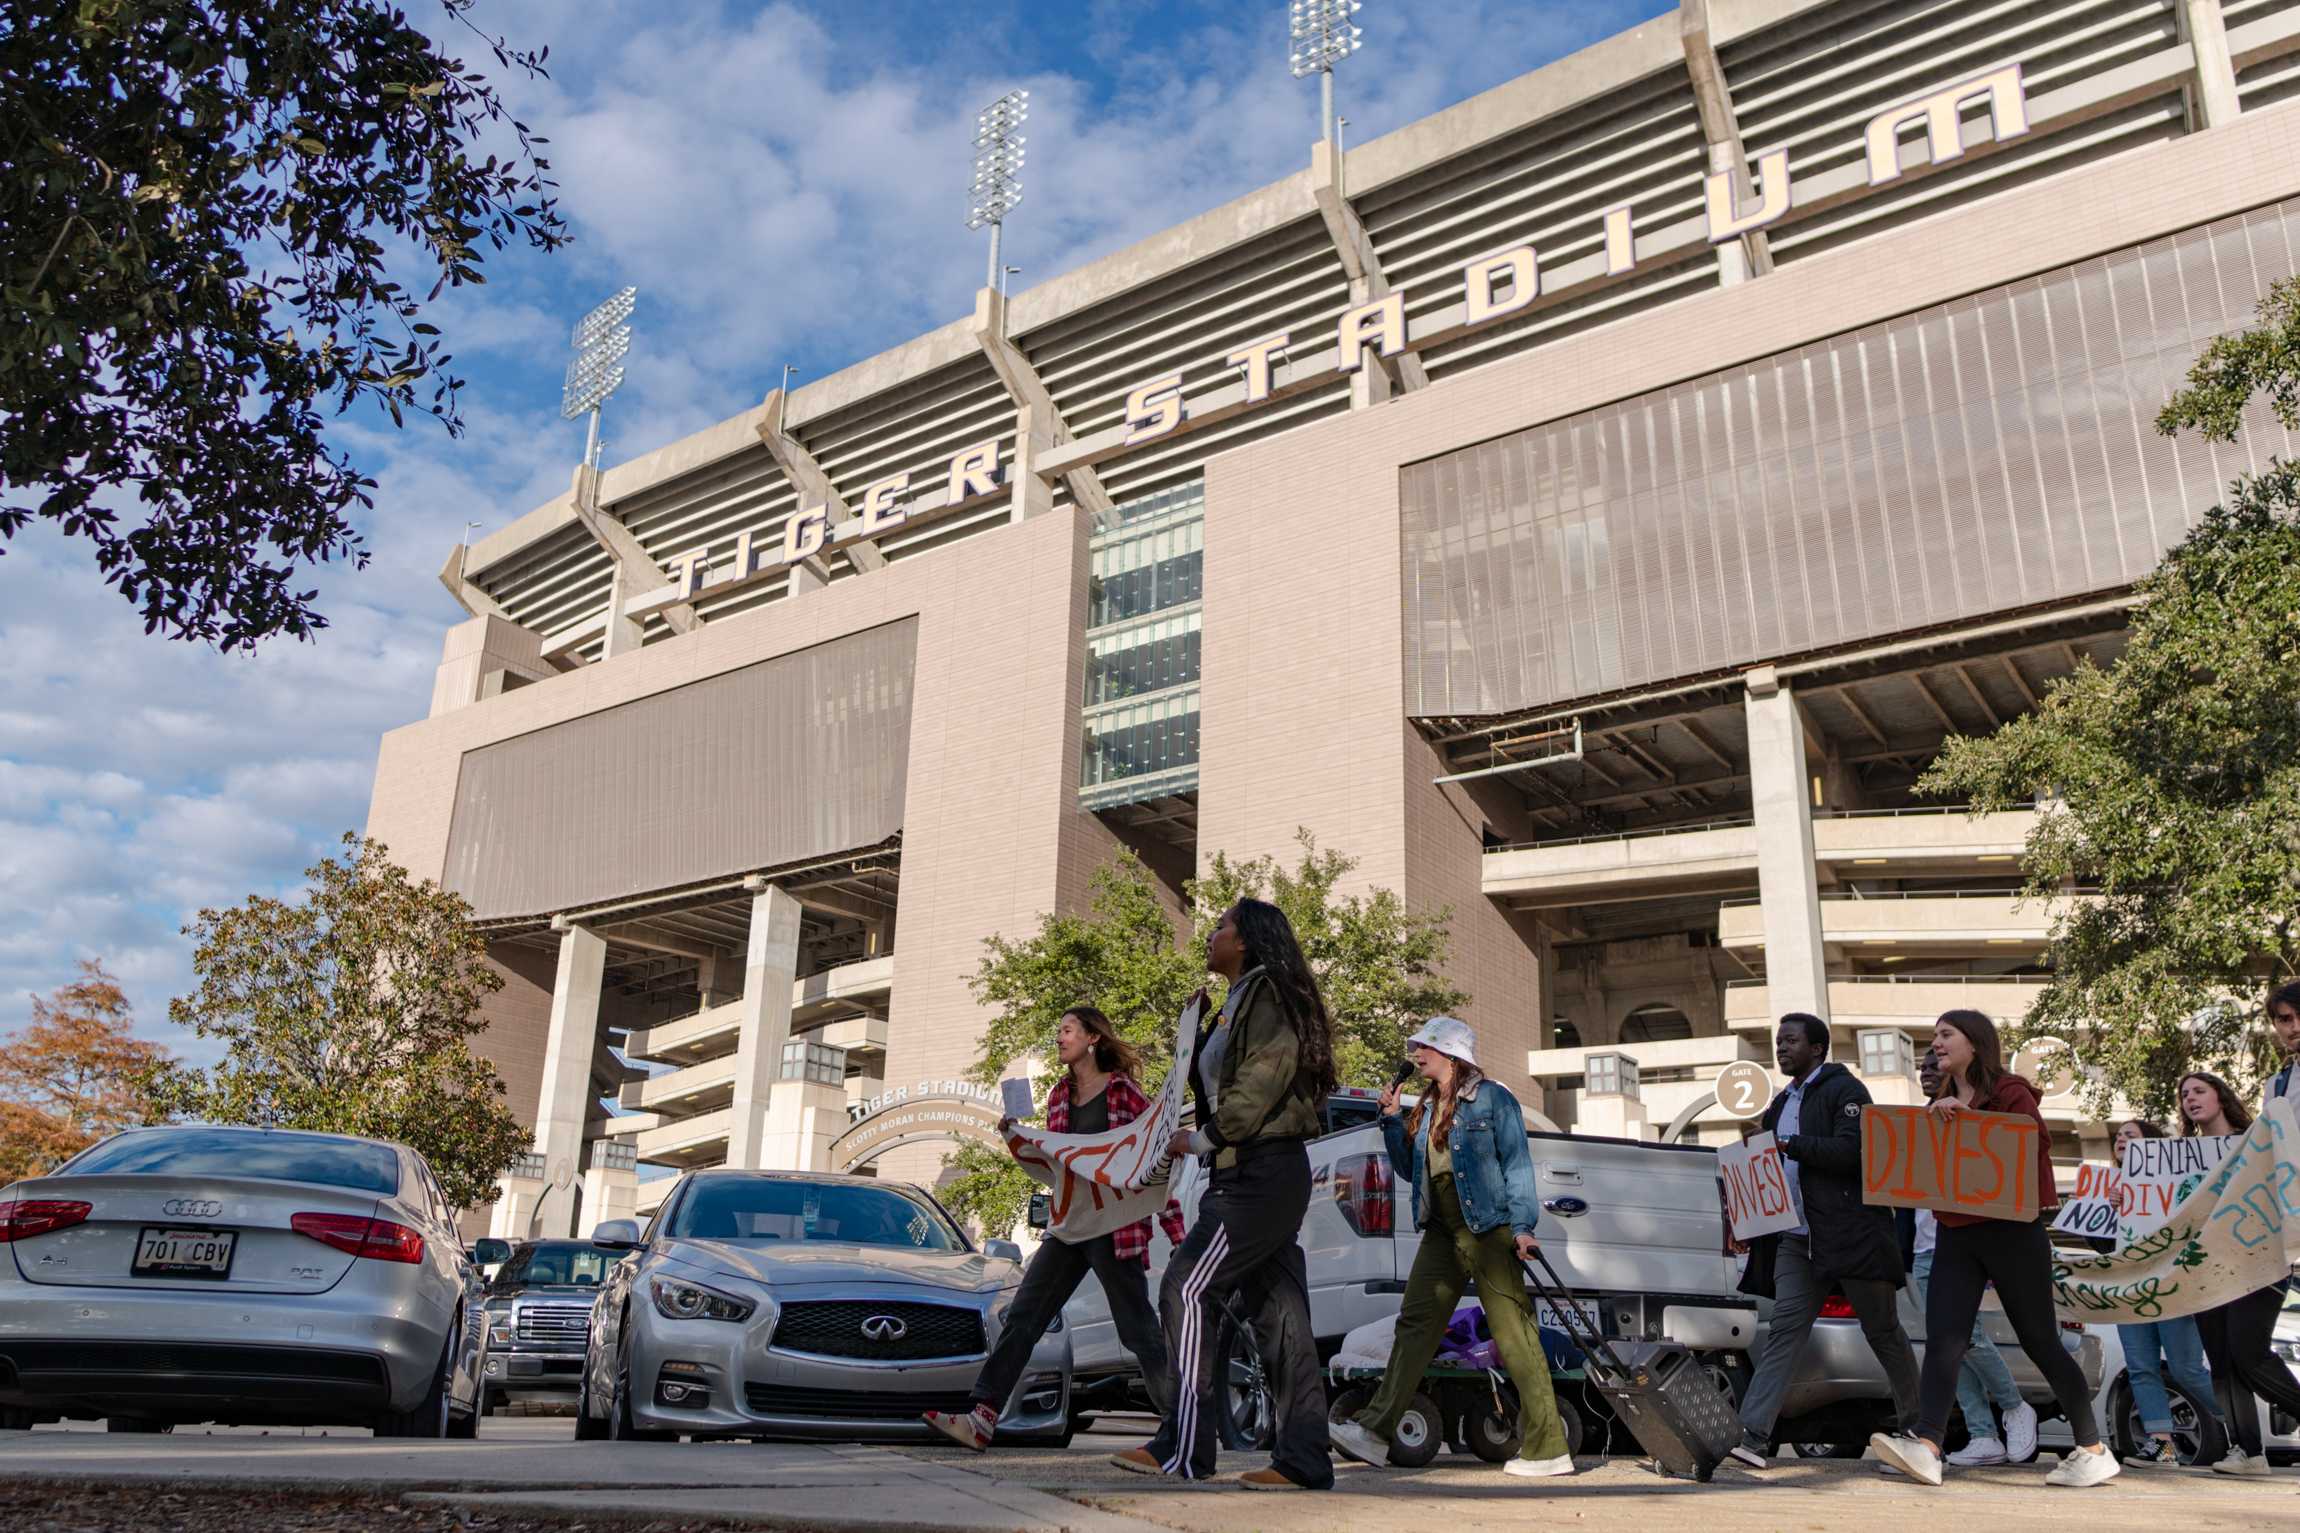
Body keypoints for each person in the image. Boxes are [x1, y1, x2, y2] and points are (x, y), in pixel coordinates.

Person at [1114, 899, 1335, 1491]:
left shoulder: (1270, 994)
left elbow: (1262, 1076)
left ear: (1248, 940)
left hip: (1257, 1174)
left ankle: (1183, 1444)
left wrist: (1205, 1137)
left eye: (1221, 927)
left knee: (1186, 1286)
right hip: (1253, 1173)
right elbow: (1217, 1078)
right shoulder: (1238, 1001)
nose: (1210, 935)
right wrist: (1195, 1031)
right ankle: (1305, 1459)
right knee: (1282, 1319)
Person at [1870, 1010, 2118, 1488]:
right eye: (1935, 1036)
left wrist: (1973, 1121)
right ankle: (1926, 1446)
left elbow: (2030, 1143)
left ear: (1975, 1043)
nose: (1937, 1043)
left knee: (2040, 1341)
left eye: (1947, 1035)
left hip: (2012, 1232)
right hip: (1957, 1232)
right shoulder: (1941, 1095)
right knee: (1945, 1338)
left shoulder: (2010, 1091)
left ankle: (2092, 1448)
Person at [923, 1007, 1181, 1452]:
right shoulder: (1060, 1095)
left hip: (1112, 1228)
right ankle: (981, 1417)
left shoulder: (1124, 1093)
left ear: (1093, 1039)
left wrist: (1176, 1231)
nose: (1059, 1038)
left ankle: (1182, 1423)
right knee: (1024, 1317)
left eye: (1067, 1030)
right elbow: (1059, 1164)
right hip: (1068, 1228)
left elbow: (1151, 1165)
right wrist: (1020, 1138)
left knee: (1137, 1330)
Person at [1328, 1017, 1574, 1481]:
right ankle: (1376, 1432)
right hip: (1441, 1233)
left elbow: (1517, 1163)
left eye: (1424, 1047)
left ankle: (1548, 1447)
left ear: (1450, 1053)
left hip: (1489, 1231)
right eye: (1416, 1047)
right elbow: (1409, 1172)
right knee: (1414, 1326)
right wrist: (1389, 1122)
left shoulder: (1493, 1098)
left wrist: (1523, 1227)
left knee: (1514, 1336)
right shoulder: (1427, 1105)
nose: (1416, 1054)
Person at [1728, 1013, 1921, 1470]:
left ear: (1817, 1048)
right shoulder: (1780, 1102)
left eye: (1791, 1041)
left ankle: (1919, 1427)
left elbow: (1856, 1152)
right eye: (1778, 1041)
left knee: (1884, 1332)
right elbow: (1771, 1161)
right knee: (1784, 1334)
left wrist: (1788, 1143)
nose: (1781, 1048)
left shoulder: (1845, 1091)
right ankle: (1752, 1436)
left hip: (1850, 1235)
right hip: (1796, 1239)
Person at [1902, 1046, 2036, 1468]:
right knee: (1945, 1348)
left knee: (1968, 1339)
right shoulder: (1919, 1122)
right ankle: (1982, 1434)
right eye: (1920, 1068)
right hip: (1925, 1248)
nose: (1925, 1074)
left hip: (1961, 1243)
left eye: (1932, 1066)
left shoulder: (1968, 1112)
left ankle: (2015, 1407)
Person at [2181, 1059, 2300, 1480]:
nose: (2189, 1098)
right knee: (2223, 1361)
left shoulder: (2257, 1143)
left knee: (2249, 1353)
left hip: (2258, 1258)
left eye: (2198, 1090)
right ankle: (2246, 1450)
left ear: (2221, 1096)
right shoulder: (2178, 1159)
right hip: (2204, 1267)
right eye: (2184, 1095)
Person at [2106, 1116, 2226, 1467]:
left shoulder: (2178, 1187)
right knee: (2141, 1367)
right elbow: (2099, 1245)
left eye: (2131, 1134)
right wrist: (2114, 1210)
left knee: (2186, 1368)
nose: (2122, 1139)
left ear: (2152, 1146)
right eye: (2119, 1136)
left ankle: (2239, 1422)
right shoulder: (2109, 1186)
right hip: (2128, 1289)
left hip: (2170, 1287)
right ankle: (2161, 1446)